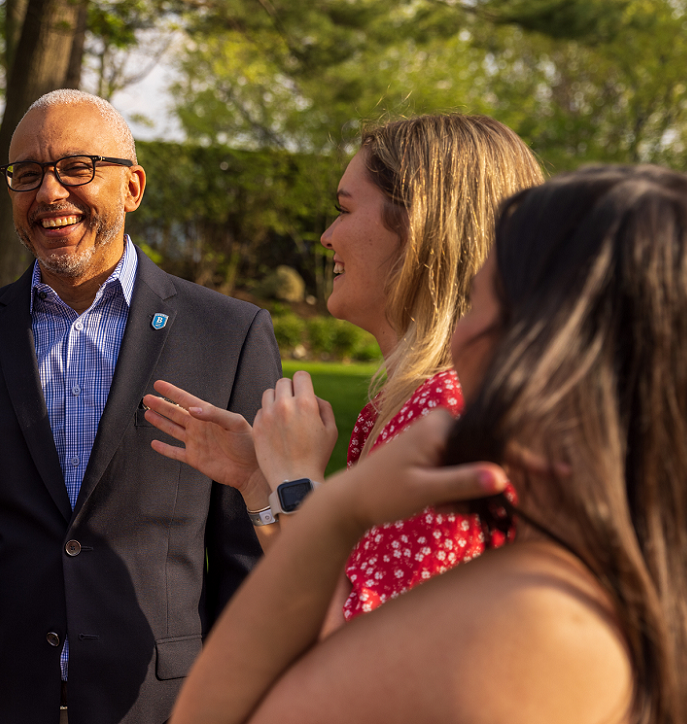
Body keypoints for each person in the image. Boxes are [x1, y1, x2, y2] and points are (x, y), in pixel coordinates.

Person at [172, 164, 687, 723]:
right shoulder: (636, 589)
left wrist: (321, 504)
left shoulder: (524, 621)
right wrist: (263, 485)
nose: (460, 336)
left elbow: (228, 706)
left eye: (482, 302)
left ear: (549, 346)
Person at [0, 89, 280, 723]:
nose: (49, 192)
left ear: (133, 186)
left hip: (157, 703)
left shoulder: (227, 336)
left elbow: (245, 553)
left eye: (76, 167)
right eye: (27, 174)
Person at [146, 114, 542, 632]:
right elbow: (341, 581)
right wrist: (259, 482)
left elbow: (356, 639)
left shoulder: (448, 414)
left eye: (345, 210)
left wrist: (297, 482)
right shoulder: (413, 403)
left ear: (419, 226)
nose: (327, 236)